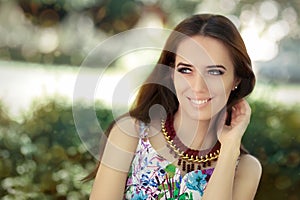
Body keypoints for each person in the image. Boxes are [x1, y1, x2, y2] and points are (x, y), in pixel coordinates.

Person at [88, 14, 262, 199]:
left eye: (214, 72)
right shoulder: (129, 134)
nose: (198, 87)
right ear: (171, 73)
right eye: (186, 70)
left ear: (236, 79)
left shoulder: (246, 169)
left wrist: (229, 148)